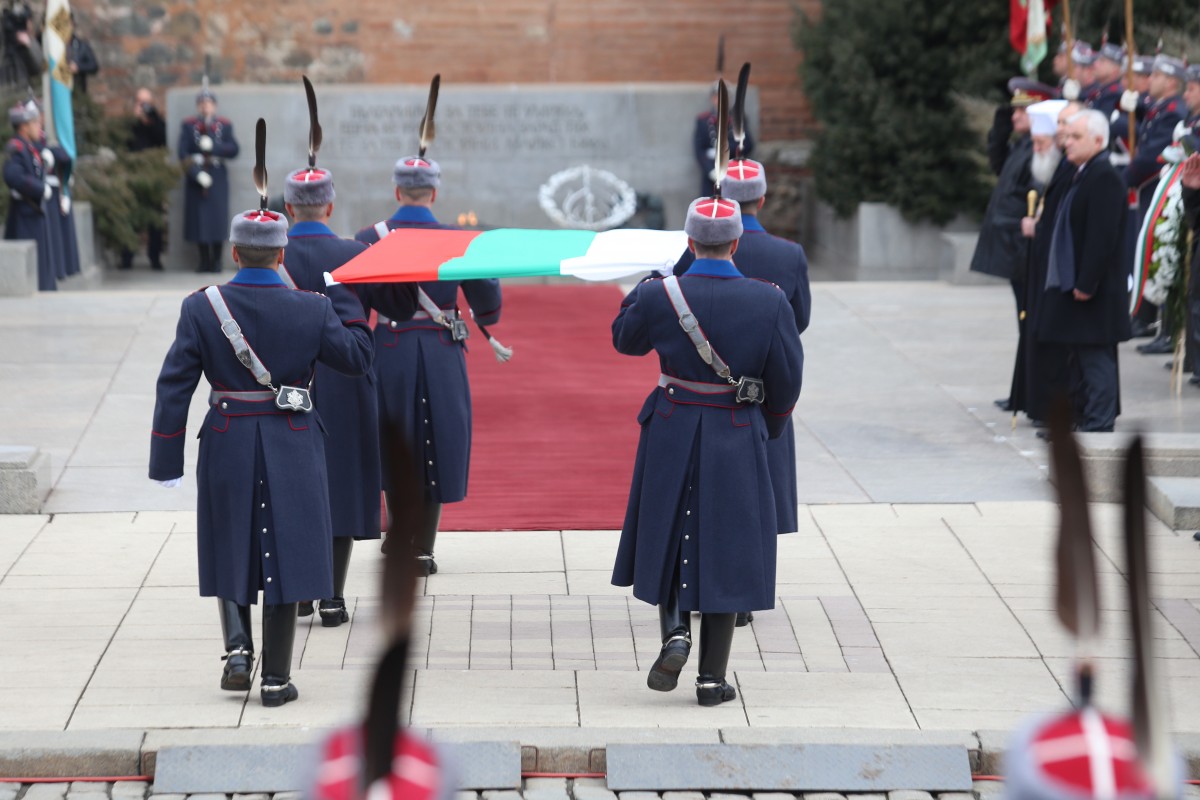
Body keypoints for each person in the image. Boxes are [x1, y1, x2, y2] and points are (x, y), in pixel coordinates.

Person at [149, 198, 377, 707]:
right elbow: (358, 357)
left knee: (229, 540)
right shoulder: (314, 307)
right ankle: (275, 678)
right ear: (281, 255)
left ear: (234, 252)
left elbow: (174, 385)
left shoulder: (202, 306)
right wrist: (344, 297)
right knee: (289, 548)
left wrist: (166, 460)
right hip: (292, 438)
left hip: (227, 436)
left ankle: (237, 651)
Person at [611, 195, 803, 707]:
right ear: (736, 243)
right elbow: (787, 381)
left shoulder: (660, 294)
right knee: (729, 547)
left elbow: (624, 340)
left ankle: (676, 633)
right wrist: (770, 427)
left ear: (690, 242)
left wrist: (650, 284)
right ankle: (711, 681)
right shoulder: (768, 299)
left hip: (671, 424)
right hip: (736, 428)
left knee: (670, 531)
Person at [671, 157, 810, 618]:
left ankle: (696, 587)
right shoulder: (789, 255)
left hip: (698, 390)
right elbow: (798, 323)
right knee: (754, 501)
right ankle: (743, 595)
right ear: (763, 199)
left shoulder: (697, 249)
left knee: (701, 498)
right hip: (760, 392)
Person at [355, 156, 502, 574]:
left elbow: (356, 304)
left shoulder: (369, 237)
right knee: (436, 439)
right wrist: (486, 313)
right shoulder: (459, 238)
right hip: (441, 348)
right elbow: (487, 302)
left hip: (390, 347)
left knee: (394, 437)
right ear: (434, 193)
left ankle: (398, 533)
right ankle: (422, 547)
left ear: (397, 191)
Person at [280, 162, 411, 625]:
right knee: (340, 483)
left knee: (292, 485)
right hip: (345, 378)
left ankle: (300, 590)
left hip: (286, 382)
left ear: (288, 207)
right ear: (330, 206)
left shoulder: (270, 253)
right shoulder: (355, 253)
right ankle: (332, 596)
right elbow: (401, 306)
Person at [1036, 110, 1131, 434]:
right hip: (1077, 283)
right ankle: (1082, 416)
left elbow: (1101, 238)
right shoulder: (1083, 172)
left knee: (1095, 355)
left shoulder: (1104, 177)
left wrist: (1087, 282)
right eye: (1068, 137)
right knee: (1078, 354)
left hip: (1094, 287)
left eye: (1076, 137)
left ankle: (1099, 421)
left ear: (1099, 140)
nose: (1068, 143)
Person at [973, 78, 1055, 413]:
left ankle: (1029, 394)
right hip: (1012, 244)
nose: (1015, 115)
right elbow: (997, 163)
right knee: (1023, 320)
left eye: (1022, 110)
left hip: (1022, 246)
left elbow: (1035, 198)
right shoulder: (1023, 146)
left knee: (1028, 319)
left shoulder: (1040, 151)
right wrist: (1001, 124)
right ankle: (1021, 393)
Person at [1020, 100, 1079, 427]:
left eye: (1042, 143)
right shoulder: (1055, 169)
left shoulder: (1069, 169)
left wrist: (1038, 227)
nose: (1037, 148)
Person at [1126, 54, 1187, 345]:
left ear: (1171, 81)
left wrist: (1124, 177)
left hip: (1156, 186)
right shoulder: (1160, 107)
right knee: (1150, 252)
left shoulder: (1174, 111)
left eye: (1157, 76)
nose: (1151, 80)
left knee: (1160, 252)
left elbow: (1153, 154)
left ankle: (1158, 323)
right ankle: (1150, 320)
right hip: (1149, 188)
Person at [178, 87, 239, 273]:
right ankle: (203, 260)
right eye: (202, 103)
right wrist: (196, 174)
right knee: (199, 220)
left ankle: (217, 260)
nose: (205, 107)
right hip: (198, 175)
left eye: (209, 103)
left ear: (214, 105)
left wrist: (215, 147)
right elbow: (183, 153)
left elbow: (234, 149)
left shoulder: (224, 125)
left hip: (217, 174)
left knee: (217, 218)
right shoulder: (189, 125)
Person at [3, 99, 53, 291]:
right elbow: (13, 176)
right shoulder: (17, 147)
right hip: (25, 214)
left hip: (33, 211)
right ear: (24, 126)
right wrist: (39, 188)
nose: (39, 126)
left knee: (41, 263)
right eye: (35, 123)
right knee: (32, 268)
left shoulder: (29, 147)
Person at [121, 88, 167, 271]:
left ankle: (155, 258)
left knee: (155, 220)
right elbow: (125, 143)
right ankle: (126, 257)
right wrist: (135, 120)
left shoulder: (157, 121)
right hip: (132, 176)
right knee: (130, 218)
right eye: (140, 102)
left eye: (146, 102)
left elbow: (162, 140)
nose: (144, 106)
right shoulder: (130, 123)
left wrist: (151, 121)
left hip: (153, 176)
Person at [693, 85, 753, 197]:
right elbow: (699, 149)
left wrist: (724, 149)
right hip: (711, 176)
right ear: (713, 99)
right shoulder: (703, 120)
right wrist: (710, 170)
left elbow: (747, 145)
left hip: (733, 173)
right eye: (717, 97)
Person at [0, 3, 43, 89]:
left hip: (23, 46)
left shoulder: (31, 41)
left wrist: (28, 43)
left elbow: (39, 67)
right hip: (12, 51)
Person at [1083, 42, 1125, 120]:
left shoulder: (1114, 95)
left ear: (1115, 69)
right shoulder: (1100, 91)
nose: (1095, 64)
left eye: (1102, 61)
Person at [65, 15, 98, 95]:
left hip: (77, 90)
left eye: (68, 24)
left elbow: (93, 66)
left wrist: (78, 67)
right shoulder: (54, 45)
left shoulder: (81, 45)